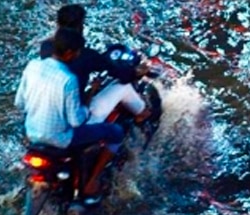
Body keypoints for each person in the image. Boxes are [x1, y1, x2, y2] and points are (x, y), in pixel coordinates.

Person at [15, 28, 124, 202]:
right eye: (77, 52)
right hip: (60, 138)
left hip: (32, 133)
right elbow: (76, 120)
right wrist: (89, 100)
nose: (78, 55)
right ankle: (92, 181)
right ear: (68, 53)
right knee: (116, 132)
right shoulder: (68, 78)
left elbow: (19, 103)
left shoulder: (32, 66)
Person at [39, 4, 152, 125]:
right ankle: (142, 114)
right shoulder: (87, 56)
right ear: (80, 27)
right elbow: (123, 75)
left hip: (49, 117)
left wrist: (92, 89)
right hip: (75, 125)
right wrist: (138, 71)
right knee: (122, 87)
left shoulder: (45, 47)